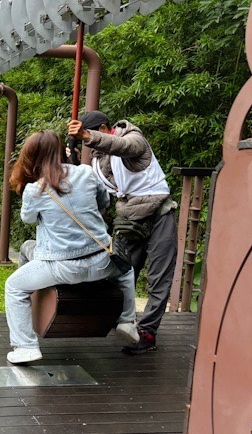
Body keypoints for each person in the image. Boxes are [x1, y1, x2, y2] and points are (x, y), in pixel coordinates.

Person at [5, 130, 139, 365]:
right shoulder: (86, 173)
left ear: (31, 156)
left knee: (14, 286)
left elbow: (27, 219)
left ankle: (26, 344)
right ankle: (127, 321)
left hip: (60, 267)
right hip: (101, 262)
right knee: (126, 269)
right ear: (61, 151)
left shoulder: (34, 189)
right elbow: (103, 203)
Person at [68, 111, 177, 355]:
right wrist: (73, 160)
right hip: (129, 219)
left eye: (94, 135)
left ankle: (148, 332)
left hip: (160, 213)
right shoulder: (98, 160)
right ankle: (122, 323)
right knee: (121, 271)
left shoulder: (133, 137)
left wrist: (86, 135)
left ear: (105, 129)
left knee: (160, 277)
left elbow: (122, 146)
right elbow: (94, 188)